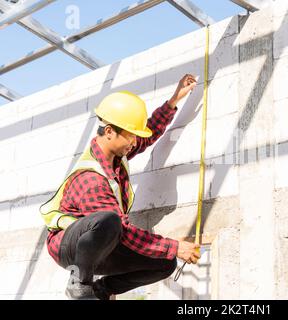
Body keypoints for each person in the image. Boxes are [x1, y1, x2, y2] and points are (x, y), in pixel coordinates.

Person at [40, 74, 201, 300]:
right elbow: (123, 232)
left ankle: (102, 290)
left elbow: (148, 134)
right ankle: (79, 283)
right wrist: (174, 246)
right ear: (109, 132)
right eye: (131, 137)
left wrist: (174, 100)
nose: (135, 142)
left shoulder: (116, 153)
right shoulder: (91, 178)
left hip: (103, 244)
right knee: (109, 220)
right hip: (69, 246)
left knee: (165, 262)